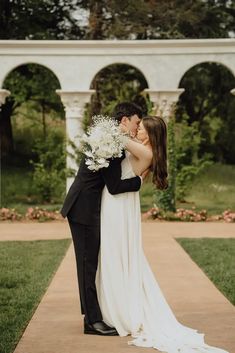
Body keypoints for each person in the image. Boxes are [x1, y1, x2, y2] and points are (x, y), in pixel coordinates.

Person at [96, 116, 229, 353]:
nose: (138, 131)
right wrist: (125, 131)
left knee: (116, 251)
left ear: (152, 135)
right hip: (119, 202)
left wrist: (113, 128)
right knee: (115, 252)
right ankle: (115, 305)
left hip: (119, 205)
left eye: (143, 129)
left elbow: (117, 138)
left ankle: (121, 310)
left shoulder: (147, 153)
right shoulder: (144, 148)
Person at [61, 102, 144, 336]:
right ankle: (92, 321)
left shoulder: (108, 136)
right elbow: (115, 186)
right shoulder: (113, 143)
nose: (137, 128)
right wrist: (140, 180)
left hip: (83, 205)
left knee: (89, 264)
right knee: (87, 265)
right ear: (124, 120)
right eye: (136, 123)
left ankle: (92, 317)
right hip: (84, 209)